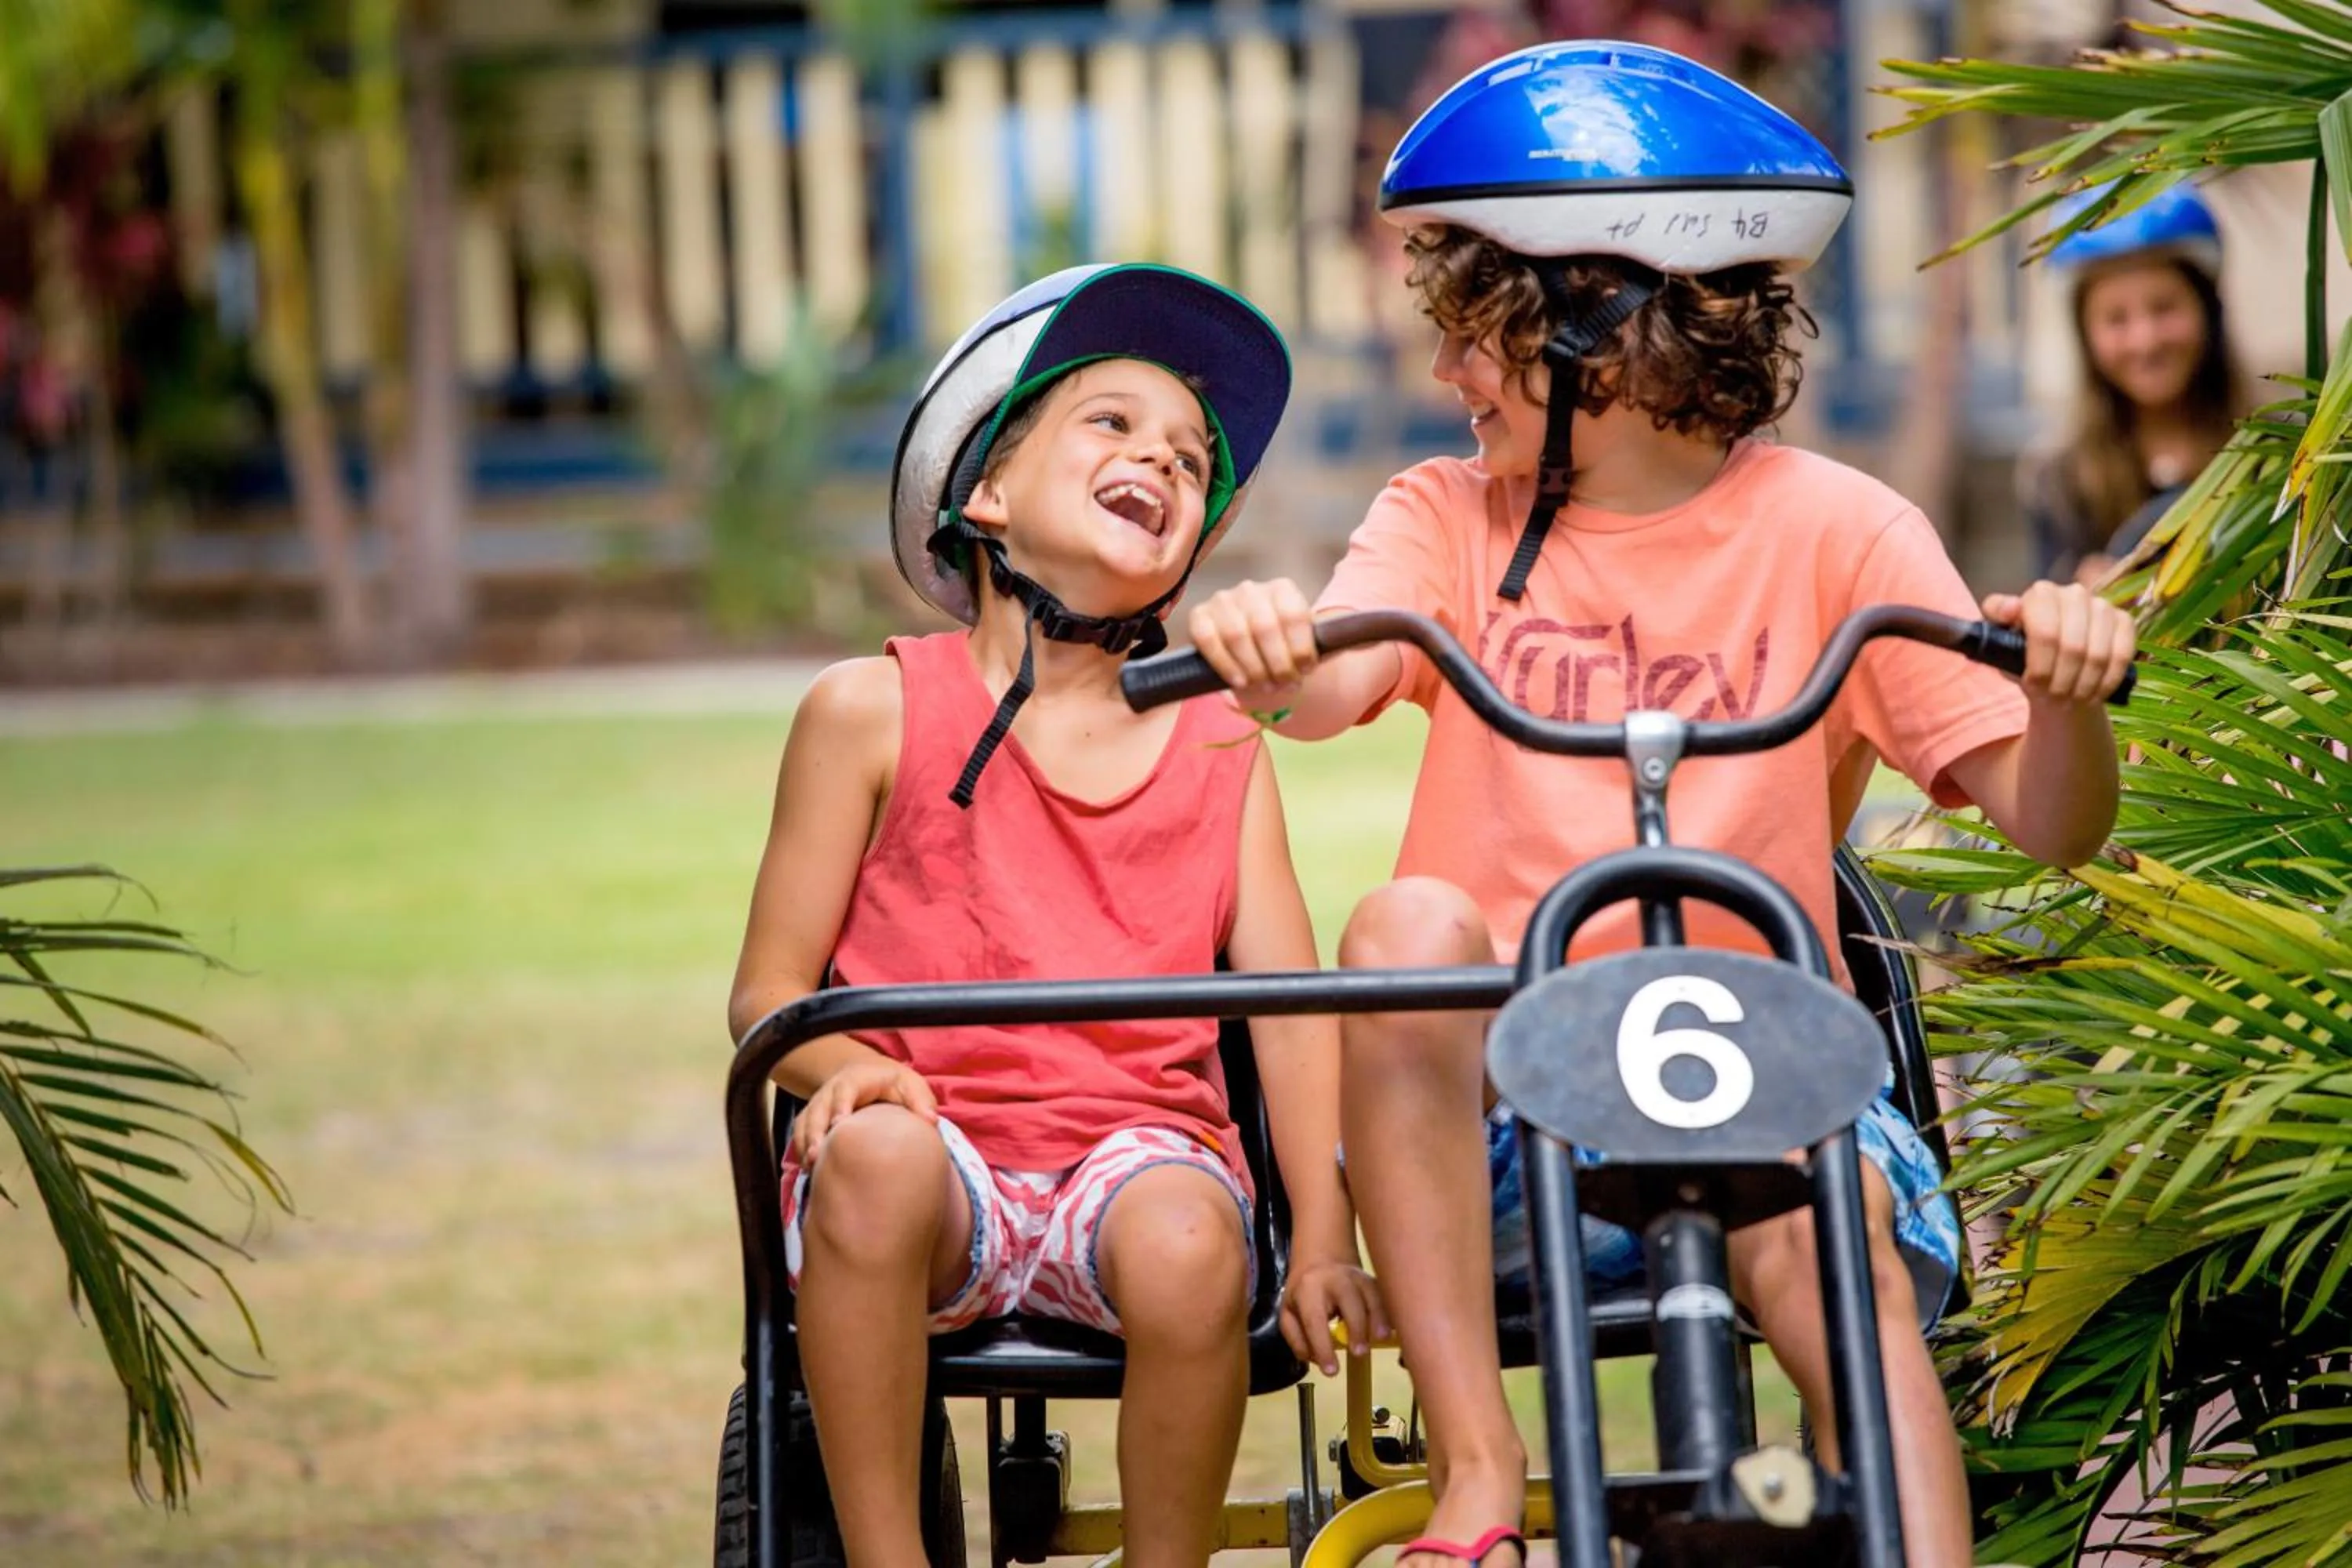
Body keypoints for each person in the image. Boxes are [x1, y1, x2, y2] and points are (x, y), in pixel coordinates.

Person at [1184, 42, 2137, 1568]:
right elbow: (1328, 686)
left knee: (1836, 1262)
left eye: (1472, 337)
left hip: (1769, 1091)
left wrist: (2068, 701)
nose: (1445, 376)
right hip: (1505, 1123)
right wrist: (1260, 651)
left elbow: (2051, 821)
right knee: (1410, 918)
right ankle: (1478, 1483)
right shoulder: (1444, 517)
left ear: (1601, 334)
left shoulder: (1840, 529)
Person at [728, 263, 1384, 1568]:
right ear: (988, 494)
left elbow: (1293, 1016)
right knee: (872, 1155)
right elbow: (768, 999)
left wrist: (1323, 1234)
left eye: (1192, 461)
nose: (1161, 457)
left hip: (1137, 1160)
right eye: (1113, 423)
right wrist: (851, 1068)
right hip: (936, 1166)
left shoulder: (1218, 744)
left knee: (1195, 1243)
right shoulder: (870, 712)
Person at [2020, 182, 2246, 585]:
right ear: (2085, 334)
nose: (2145, 341)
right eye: (2116, 319)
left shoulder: (2276, 445)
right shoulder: (2058, 481)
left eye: (2164, 308)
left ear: (2207, 308)